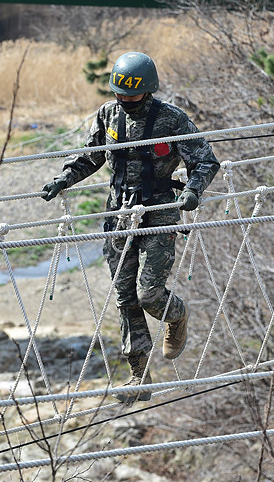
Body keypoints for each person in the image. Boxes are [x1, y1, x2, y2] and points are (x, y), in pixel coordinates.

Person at [41, 51, 220, 403]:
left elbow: (205, 160)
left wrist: (193, 192)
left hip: (159, 213)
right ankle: (139, 375)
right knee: (125, 298)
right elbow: (91, 155)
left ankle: (177, 316)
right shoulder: (108, 115)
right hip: (119, 215)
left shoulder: (171, 119)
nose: (124, 99)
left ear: (147, 90)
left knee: (148, 293)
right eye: (119, 93)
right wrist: (64, 179)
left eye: (131, 94)